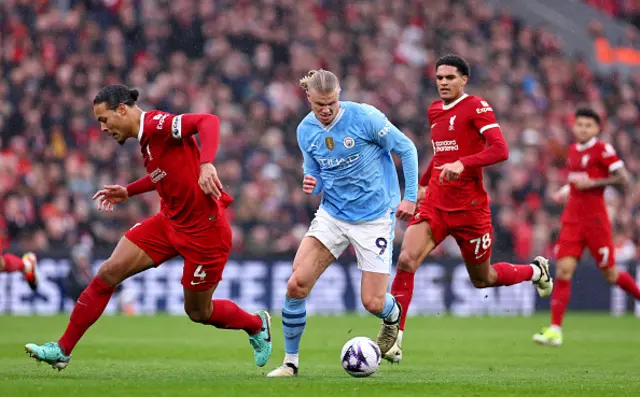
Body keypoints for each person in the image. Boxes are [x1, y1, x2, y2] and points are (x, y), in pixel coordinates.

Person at [25, 85, 272, 370]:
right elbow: (163, 175)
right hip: (168, 223)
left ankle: (256, 324)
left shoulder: (157, 124)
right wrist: (128, 191)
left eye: (104, 120)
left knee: (198, 312)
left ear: (121, 110)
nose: (103, 129)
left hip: (205, 234)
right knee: (108, 272)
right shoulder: (146, 142)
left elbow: (208, 121)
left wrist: (206, 164)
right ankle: (62, 349)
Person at [380, 55, 553, 363]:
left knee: (482, 279)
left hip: (470, 209)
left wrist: (464, 163)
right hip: (435, 202)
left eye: (449, 77)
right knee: (406, 259)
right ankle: (395, 338)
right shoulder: (434, 111)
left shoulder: (477, 106)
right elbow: (440, 154)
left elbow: (500, 150)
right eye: (439, 77)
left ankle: (535, 271)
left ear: (463, 80)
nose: (443, 82)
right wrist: (421, 185)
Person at [266, 70, 419, 377]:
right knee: (296, 284)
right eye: (320, 104)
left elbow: (407, 148)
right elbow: (317, 175)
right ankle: (290, 363)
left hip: (374, 218)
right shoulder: (305, 131)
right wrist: (312, 183)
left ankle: (392, 315)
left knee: (373, 302)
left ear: (340, 96)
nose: (326, 110)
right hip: (332, 215)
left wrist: (410, 197)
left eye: (332, 103)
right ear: (308, 98)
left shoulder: (366, 118)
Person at [533, 108, 638, 347]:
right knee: (563, 271)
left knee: (611, 275)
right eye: (579, 124)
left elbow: (624, 178)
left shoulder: (603, 150)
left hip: (596, 221)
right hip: (572, 219)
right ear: (574, 126)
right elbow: (577, 180)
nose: (583, 129)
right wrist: (566, 189)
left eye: (588, 126)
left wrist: (594, 183)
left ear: (597, 129)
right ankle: (555, 330)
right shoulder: (572, 150)